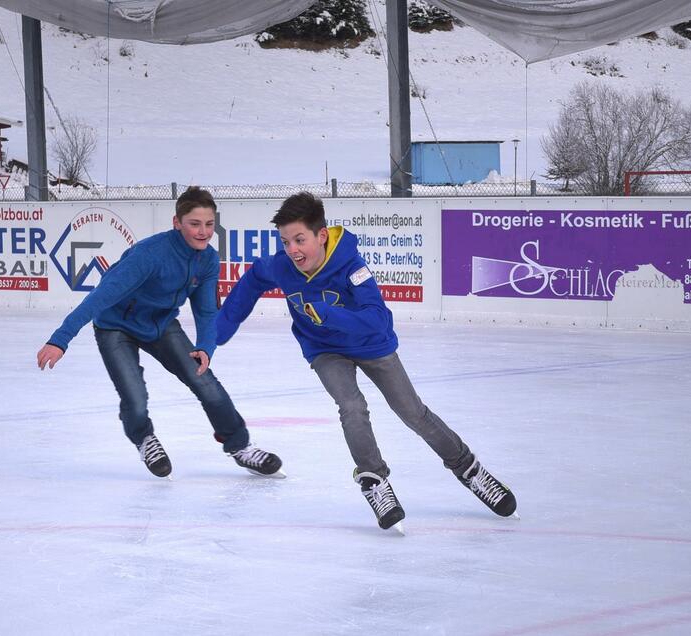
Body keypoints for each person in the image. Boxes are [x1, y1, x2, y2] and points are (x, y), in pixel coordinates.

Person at [215, 192, 516, 531]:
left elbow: (378, 319)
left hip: (371, 344)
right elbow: (254, 278)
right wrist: (214, 337)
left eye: (299, 240)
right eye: (285, 242)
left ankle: (469, 469)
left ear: (322, 235)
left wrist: (330, 314)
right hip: (324, 350)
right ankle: (374, 480)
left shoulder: (353, 267)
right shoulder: (282, 267)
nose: (292, 250)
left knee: (413, 413)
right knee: (351, 406)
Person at [36, 186, 283, 479]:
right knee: (135, 397)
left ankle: (240, 446)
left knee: (205, 381)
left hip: (162, 324)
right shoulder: (150, 255)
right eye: (194, 224)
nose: (203, 232)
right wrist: (60, 339)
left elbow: (205, 311)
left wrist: (205, 347)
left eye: (209, 224)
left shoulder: (207, 259)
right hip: (116, 326)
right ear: (177, 222)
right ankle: (144, 438)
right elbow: (100, 298)